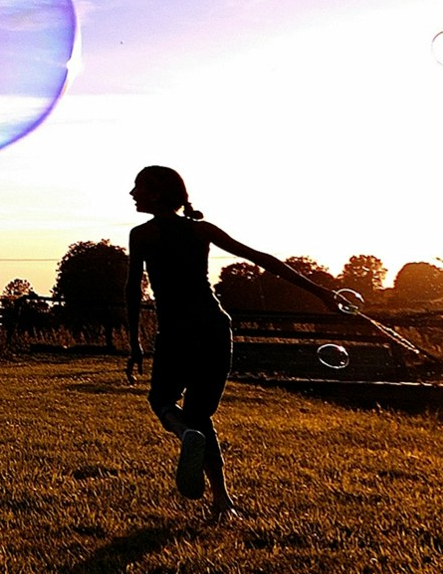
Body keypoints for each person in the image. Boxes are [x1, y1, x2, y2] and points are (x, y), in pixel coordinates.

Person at [124, 165, 340, 521]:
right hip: (214, 328)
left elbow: (133, 288)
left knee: (162, 400)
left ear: (157, 194)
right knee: (201, 413)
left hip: (178, 332)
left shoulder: (142, 235)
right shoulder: (202, 230)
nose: (132, 194)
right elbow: (262, 259)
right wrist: (321, 292)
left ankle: (185, 435)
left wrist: (134, 342)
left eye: (138, 188)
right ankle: (223, 501)